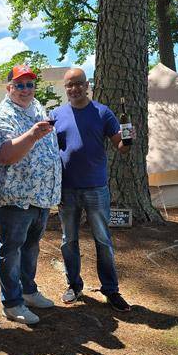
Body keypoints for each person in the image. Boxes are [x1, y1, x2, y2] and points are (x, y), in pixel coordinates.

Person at [50, 67, 132, 312]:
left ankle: (111, 290)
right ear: (65, 89)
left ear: (88, 85)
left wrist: (128, 138)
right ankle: (74, 285)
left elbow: (122, 147)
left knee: (103, 241)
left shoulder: (103, 113)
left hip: (96, 188)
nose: (74, 89)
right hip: (67, 189)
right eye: (69, 85)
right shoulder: (55, 115)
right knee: (69, 240)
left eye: (79, 84)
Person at [0, 65, 61, 325]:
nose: (25, 90)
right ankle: (12, 303)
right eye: (19, 85)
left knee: (31, 247)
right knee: (10, 250)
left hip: (40, 196)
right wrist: (31, 135)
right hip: (13, 198)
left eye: (30, 84)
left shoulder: (38, 108)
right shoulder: (1, 116)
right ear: (9, 88)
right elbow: (5, 155)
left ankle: (29, 292)